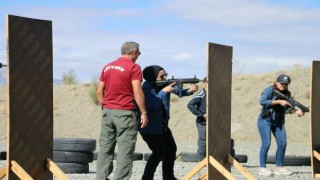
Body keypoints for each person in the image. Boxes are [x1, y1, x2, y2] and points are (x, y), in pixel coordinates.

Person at [96, 41, 148, 180]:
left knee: (105, 148)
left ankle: (101, 177)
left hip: (108, 112)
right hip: (125, 112)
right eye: (139, 53)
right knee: (125, 149)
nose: (138, 56)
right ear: (133, 52)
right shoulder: (134, 67)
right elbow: (137, 91)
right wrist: (143, 112)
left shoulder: (107, 67)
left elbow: (99, 91)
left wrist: (106, 107)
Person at [139, 65, 198, 180]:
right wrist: (163, 92)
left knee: (171, 150)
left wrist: (189, 91)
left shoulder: (163, 84)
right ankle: (146, 178)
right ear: (153, 77)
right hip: (149, 128)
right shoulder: (146, 88)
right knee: (158, 152)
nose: (165, 78)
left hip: (161, 126)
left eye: (166, 75)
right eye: (162, 76)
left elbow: (177, 90)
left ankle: (168, 177)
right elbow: (153, 105)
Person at [257, 74, 305, 177]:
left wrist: (297, 111)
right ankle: (262, 168)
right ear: (277, 82)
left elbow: (287, 108)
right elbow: (262, 101)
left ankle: (279, 167)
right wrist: (279, 101)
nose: (283, 85)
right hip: (265, 120)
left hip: (278, 122)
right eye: (282, 83)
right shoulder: (270, 90)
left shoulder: (287, 94)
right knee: (266, 143)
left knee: (283, 143)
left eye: (286, 84)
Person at [187, 77, 207, 160]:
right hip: (202, 122)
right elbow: (190, 105)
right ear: (205, 83)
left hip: (214, 123)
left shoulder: (217, 94)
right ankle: (202, 160)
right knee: (203, 141)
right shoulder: (201, 94)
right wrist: (202, 114)